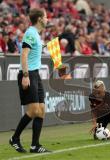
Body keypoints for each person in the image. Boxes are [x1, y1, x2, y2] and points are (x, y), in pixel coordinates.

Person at [9, 8, 50, 153]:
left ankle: (35, 146)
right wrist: (25, 76)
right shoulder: (31, 33)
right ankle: (14, 138)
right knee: (33, 110)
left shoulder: (36, 35)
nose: (47, 19)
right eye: (45, 17)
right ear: (39, 19)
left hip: (35, 74)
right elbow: (24, 55)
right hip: (28, 74)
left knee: (41, 110)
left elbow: (32, 51)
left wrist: (45, 46)